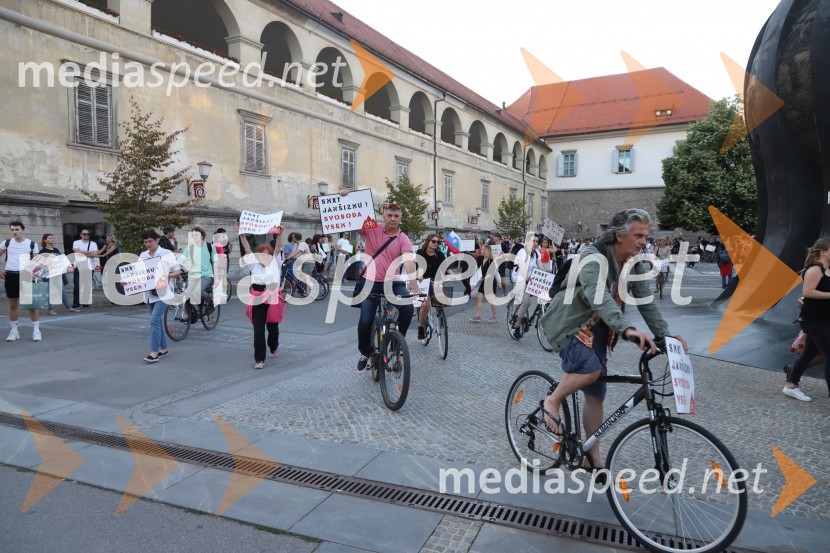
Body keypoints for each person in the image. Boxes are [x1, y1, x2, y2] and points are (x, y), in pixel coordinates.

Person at [541, 209, 687, 471]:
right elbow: (598, 296)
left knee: (596, 395)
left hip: (600, 331)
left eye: (646, 236)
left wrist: (665, 336)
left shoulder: (635, 263)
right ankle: (553, 400)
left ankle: (590, 455)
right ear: (619, 235)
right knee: (591, 370)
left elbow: (646, 303)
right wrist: (628, 329)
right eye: (639, 235)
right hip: (571, 324)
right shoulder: (591, 257)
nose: (645, 241)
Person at [355, 203, 420, 372]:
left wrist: (413, 285)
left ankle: (397, 342)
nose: (392, 219)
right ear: (384, 217)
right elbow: (354, 223)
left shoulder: (403, 238)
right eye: (389, 215)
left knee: (407, 308)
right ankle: (365, 352)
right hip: (370, 282)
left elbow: (408, 261)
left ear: (400, 219)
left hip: (393, 282)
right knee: (365, 322)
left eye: (396, 216)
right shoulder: (372, 227)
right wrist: (345, 198)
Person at [783, 238, 830, 401]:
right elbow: (808, 292)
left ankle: (791, 385)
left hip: (823, 318)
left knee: (809, 353)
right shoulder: (816, 269)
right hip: (813, 319)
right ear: (823, 251)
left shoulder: (827, 269)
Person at [239, 229, 283, 369]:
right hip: (257, 297)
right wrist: (241, 234)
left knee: (273, 328)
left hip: (272, 297)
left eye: (267, 255)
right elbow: (247, 249)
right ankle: (259, 359)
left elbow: (277, 248)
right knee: (258, 330)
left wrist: (280, 234)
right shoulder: (254, 265)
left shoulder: (275, 263)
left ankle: (273, 347)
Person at [139, 229, 180, 363]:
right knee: (157, 322)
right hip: (150, 293)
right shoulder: (143, 255)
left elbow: (177, 272)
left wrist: (165, 275)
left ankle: (154, 352)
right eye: (145, 242)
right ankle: (164, 349)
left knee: (154, 321)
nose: (148, 244)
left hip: (164, 292)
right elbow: (139, 273)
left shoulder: (166, 253)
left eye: (150, 241)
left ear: (156, 240)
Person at [0, 222, 42, 341]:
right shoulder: (7, 243)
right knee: (13, 305)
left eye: (17, 229)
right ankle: (14, 331)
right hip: (11, 275)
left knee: (31, 305)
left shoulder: (32, 244)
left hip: (26, 276)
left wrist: (34, 272)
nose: (14, 232)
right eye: (12, 229)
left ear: (23, 230)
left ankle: (36, 331)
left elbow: (37, 262)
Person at [415, 233, 454, 338]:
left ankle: (441, 317)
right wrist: (420, 275)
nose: (436, 244)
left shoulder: (440, 254)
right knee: (426, 305)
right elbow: (418, 266)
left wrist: (452, 274)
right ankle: (421, 327)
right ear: (428, 241)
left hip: (435, 282)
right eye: (434, 241)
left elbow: (446, 266)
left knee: (444, 302)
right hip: (422, 282)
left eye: (438, 242)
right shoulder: (420, 252)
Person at [511, 234, 543, 338]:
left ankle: (524, 317)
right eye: (533, 241)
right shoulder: (522, 252)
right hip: (519, 278)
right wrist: (526, 276)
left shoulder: (537, 253)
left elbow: (541, 267)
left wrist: (548, 277)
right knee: (526, 302)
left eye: (537, 241)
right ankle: (516, 326)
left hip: (529, 279)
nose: (536, 243)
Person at [181, 227, 216, 314]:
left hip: (206, 275)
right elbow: (181, 260)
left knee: (198, 291)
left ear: (202, 236)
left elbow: (215, 262)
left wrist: (216, 277)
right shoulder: (189, 249)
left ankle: (209, 301)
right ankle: (193, 314)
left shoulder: (210, 247)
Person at [39, 233, 72, 315]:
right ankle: (50, 310)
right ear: (45, 240)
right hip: (47, 274)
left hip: (56, 273)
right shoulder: (42, 251)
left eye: (52, 238)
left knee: (62, 291)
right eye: (50, 238)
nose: (52, 239)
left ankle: (69, 307)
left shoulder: (56, 250)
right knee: (50, 292)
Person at [71, 228, 100, 310]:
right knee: (77, 285)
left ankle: (85, 302)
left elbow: (95, 254)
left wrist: (82, 252)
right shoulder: (76, 242)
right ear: (81, 235)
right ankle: (76, 303)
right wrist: (89, 252)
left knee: (87, 285)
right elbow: (76, 252)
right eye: (84, 234)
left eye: (88, 234)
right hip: (79, 266)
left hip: (90, 266)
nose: (86, 235)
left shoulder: (93, 243)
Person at [470, 244, 499, 323]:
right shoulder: (480, 258)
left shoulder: (492, 261)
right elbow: (478, 270)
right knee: (479, 297)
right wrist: (476, 277)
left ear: (486, 250)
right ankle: (477, 315)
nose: (480, 250)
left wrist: (485, 278)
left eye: (482, 249)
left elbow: (493, 272)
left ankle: (494, 316)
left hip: (491, 282)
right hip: (483, 281)